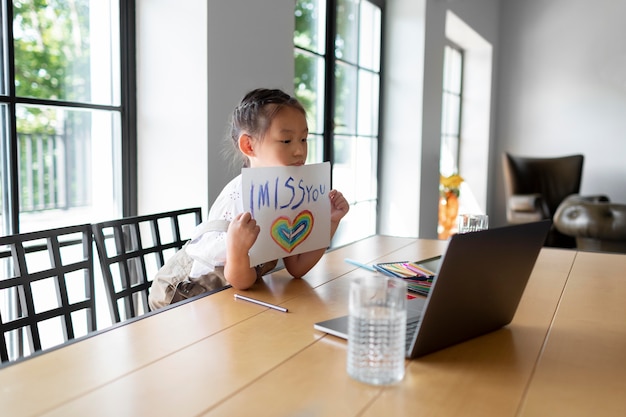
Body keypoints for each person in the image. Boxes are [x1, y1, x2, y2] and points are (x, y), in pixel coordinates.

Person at [185, 88, 349, 291]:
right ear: (249, 146)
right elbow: (240, 281)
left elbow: (296, 266)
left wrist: (330, 221)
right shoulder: (236, 199)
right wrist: (237, 250)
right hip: (196, 297)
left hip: (240, 300)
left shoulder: (289, 192)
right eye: (286, 141)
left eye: (304, 139)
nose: (299, 151)